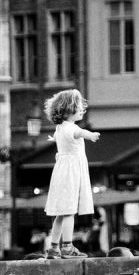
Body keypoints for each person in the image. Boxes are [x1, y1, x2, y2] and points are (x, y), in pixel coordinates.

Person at [43, 89, 100, 259]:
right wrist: (90, 134)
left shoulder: (60, 128)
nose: (82, 109)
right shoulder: (71, 128)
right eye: (79, 107)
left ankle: (54, 247)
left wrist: (55, 140)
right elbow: (78, 133)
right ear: (69, 109)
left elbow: (59, 137)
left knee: (62, 212)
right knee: (68, 210)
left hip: (62, 171)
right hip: (71, 173)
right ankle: (67, 246)